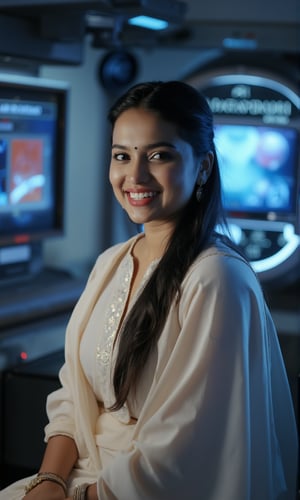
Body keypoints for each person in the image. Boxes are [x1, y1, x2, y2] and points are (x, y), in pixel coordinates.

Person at [0, 80, 298, 500]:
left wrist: (78, 497)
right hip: (72, 481)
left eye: (159, 155)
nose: (135, 175)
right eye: (122, 156)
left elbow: (184, 450)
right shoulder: (111, 263)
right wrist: (47, 481)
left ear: (204, 167)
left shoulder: (216, 278)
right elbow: (72, 395)